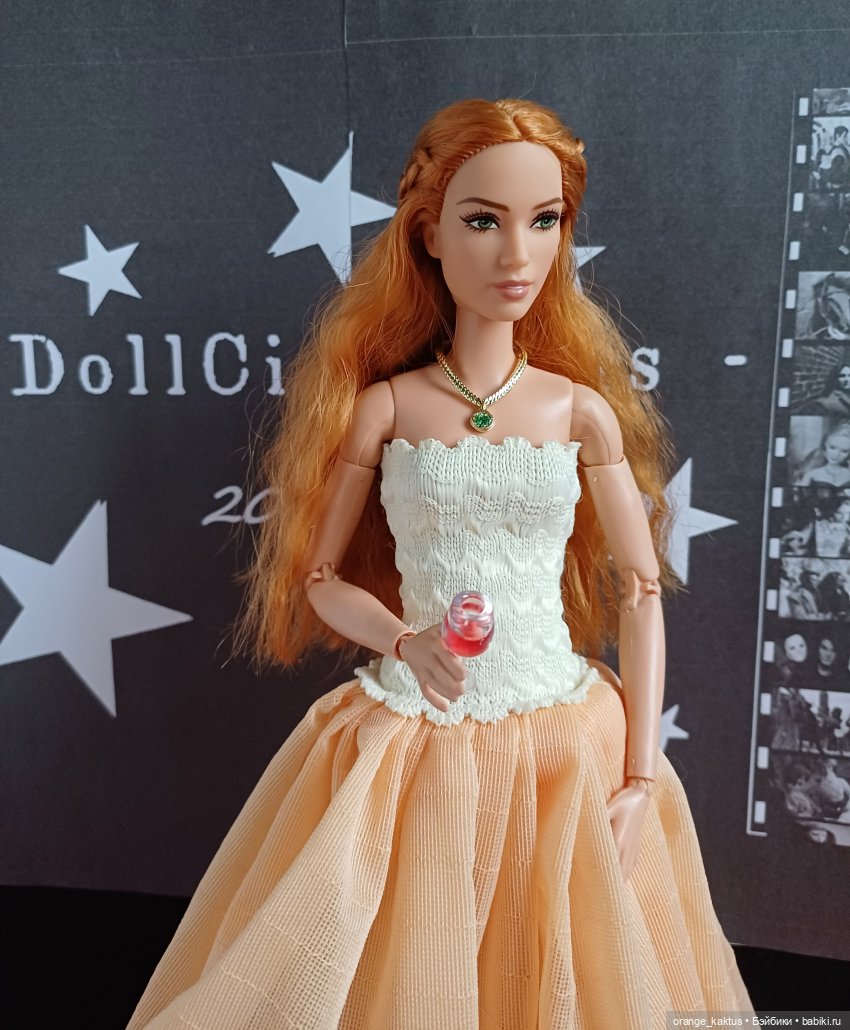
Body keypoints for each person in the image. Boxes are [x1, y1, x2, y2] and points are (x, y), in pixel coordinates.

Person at [128, 98, 752, 1028]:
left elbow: (639, 586)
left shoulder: (579, 412)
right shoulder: (386, 408)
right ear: (428, 233)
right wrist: (404, 640)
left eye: (545, 221)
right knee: (409, 962)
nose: (517, 256)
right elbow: (320, 579)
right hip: (419, 731)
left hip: (562, 738)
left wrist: (636, 778)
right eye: (483, 221)